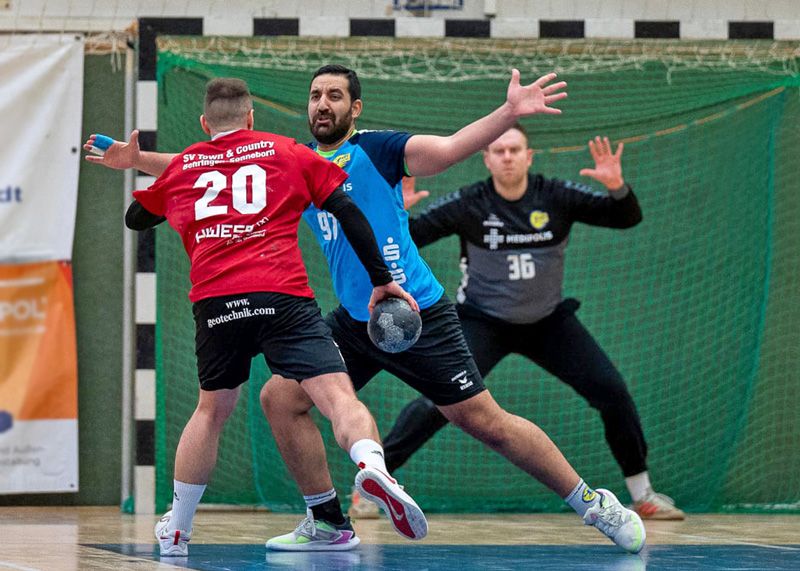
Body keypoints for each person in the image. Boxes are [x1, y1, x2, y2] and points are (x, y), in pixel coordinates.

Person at [91, 65, 647, 555]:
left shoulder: (381, 150)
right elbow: (215, 163)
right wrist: (139, 159)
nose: (321, 104)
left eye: (334, 95)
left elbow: (453, 147)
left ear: (354, 108)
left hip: (414, 311)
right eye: (315, 95)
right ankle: (328, 521)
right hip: (355, 320)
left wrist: (508, 111)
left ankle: (594, 502)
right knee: (281, 400)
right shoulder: (294, 160)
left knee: (483, 421)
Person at [87, 78, 428, 556]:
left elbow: (135, 218)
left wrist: (157, 173)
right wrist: (382, 279)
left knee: (212, 411)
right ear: (251, 119)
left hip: (216, 302)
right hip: (282, 295)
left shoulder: (187, 165)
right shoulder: (287, 152)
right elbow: (347, 210)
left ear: (205, 124)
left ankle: (179, 528)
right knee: (334, 394)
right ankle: (371, 463)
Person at [350, 125, 685, 521]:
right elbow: (407, 244)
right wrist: (398, 217)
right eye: (498, 150)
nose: (507, 156)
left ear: (528, 156)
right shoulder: (469, 203)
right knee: (435, 403)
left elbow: (625, 217)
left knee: (612, 391)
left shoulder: (556, 196)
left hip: (547, 323)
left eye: (515, 150)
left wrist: (617, 187)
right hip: (482, 321)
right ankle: (371, 491)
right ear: (487, 158)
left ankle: (642, 494)